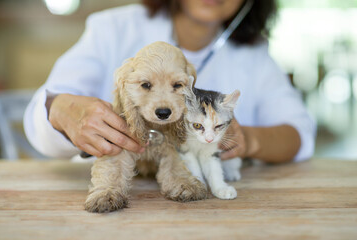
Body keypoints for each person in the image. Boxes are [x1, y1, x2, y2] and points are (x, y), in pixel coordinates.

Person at [24, 0, 316, 163]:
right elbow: (43, 108)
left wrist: (248, 140)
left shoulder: (254, 55)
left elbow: (299, 134)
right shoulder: (111, 28)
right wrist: (64, 110)